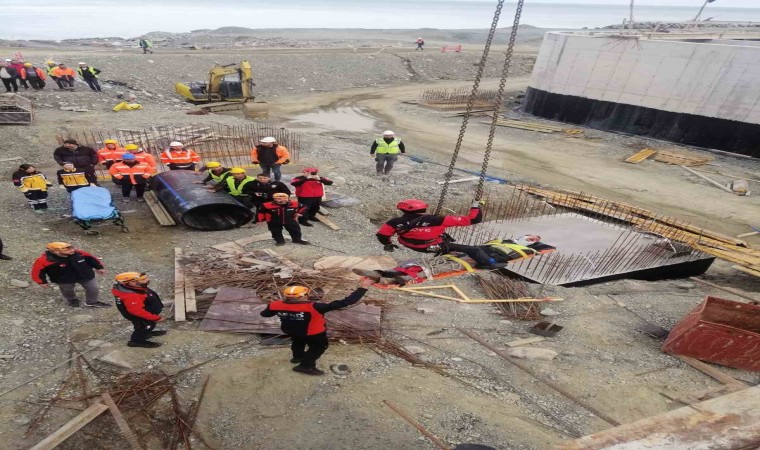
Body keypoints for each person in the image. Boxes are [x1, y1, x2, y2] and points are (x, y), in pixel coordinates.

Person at [260, 278, 373, 375]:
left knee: (298, 342)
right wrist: (363, 287)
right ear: (304, 296)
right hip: (314, 333)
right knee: (318, 348)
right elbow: (346, 302)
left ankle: (297, 357)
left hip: (291, 330)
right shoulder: (315, 307)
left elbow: (264, 314)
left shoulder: (275, 305)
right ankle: (305, 366)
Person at [376, 199, 506, 269]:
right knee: (472, 249)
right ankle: (489, 263)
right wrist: (476, 206)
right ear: (423, 209)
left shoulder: (395, 222)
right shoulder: (438, 220)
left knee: (447, 241)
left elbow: (382, 235)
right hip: (432, 246)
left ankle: (447, 254)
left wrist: (388, 245)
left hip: (410, 245)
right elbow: (473, 219)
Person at [31, 242, 110, 308]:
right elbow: (37, 271)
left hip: (85, 275)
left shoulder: (80, 253)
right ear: (55, 251)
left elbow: (92, 259)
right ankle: (72, 299)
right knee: (67, 290)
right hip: (63, 280)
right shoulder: (44, 260)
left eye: (71, 248)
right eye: (67, 249)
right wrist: (41, 282)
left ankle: (92, 302)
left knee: (93, 288)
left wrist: (99, 268)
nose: (72, 250)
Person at [112, 272, 166, 348]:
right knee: (143, 327)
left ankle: (147, 333)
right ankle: (136, 341)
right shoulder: (131, 296)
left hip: (146, 312)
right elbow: (138, 312)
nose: (140, 282)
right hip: (139, 316)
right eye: (134, 281)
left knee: (148, 325)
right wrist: (156, 318)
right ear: (125, 283)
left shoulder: (135, 288)